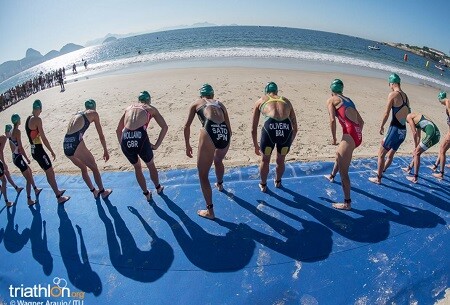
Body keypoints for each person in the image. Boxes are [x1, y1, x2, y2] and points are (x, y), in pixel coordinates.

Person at [184, 84, 232, 220]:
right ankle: (220, 184)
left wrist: (187, 145)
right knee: (218, 161)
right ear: (212, 95)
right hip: (224, 133)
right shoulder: (220, 104)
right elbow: (230, 129)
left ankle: (210, 212)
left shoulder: (197, 103)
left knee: (203, 174)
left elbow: (186, 126)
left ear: (201, 95)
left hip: (209, 130)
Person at [116, 91, 167, 201]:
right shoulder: (150, 108)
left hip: (126, 138)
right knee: (150, 165)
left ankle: (146, 194)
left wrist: (123, 145)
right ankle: (158, 188)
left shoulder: (128, 108)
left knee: (137, 167)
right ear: (149, 100)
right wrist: (157, 145)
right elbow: (164, 127)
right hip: (140, 138)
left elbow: (118, 130)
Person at [324, 79, 364, 210]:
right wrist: (354, 136)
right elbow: (361, 122)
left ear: (332, 91)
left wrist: (335, 138)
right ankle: (331, 176)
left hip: (350, 134)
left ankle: (347, 203)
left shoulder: (332, 100)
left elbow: (331, 120)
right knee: (339, 155)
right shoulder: (349, 100)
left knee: (344, 172)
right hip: (356, 133)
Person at [251, 82, 298, 192]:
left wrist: (255, 146)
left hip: (270, 129)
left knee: (265, 160)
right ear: (277, 91)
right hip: (286, 128)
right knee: (281, 160)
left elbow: (253, 128)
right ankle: (278, 181)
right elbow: (295, 128)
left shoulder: (260, 100)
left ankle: (263, 185)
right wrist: (289, 141)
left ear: (266, 92)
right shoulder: (286, 101)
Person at [63, 99, 112, 199]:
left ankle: (94, 191)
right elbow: (101, 135)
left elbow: (73, 131)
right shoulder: (93, 113)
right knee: (94, 167)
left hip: (65, 144)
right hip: (75, 142)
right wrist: (105, 150)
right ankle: (103, 192)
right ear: (94, 107)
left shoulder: (76, 115)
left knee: (83, 168)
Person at [25, 100, 70, 204]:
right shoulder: (37, 119)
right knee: (50, 172)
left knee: (49, 172)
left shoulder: (28, 119)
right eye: (41, 110)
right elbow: (44, 138)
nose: (41, 112)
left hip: (34, 150)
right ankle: (59, 197)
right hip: (39, 151)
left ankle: (57, 191)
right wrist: (51, 151)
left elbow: (32, 134)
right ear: (39, 108)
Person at [369, 73, 410, 184]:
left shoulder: (392, 94)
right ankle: (381, 171)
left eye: (390, 84)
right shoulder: (406, 96)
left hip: (394, 130)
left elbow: (386, 113)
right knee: (390, 154)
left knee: (381, 154)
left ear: (392, 83)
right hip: (403, 132)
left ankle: (378, 178)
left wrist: (382, 125)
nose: (390, 86)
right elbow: (407, 115)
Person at [7, 114, 42, 206]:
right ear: (18, 121)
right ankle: (29, 199)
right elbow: (21, 147)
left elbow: (12, 145)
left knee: (29, 171)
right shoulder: (17, 131)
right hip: (19, 158)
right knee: (28, 179)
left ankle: (35, 189)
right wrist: (27, 158)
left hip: (15, 157)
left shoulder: (11, 130)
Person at [402, 112, 440, 183]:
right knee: (417, 152)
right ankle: (409, 168)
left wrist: (416, 146)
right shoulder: (416, 116)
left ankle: (415, 178)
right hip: (436, 135)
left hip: (432, 134)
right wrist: (416, 146)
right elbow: (418, 136)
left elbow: (414, 133)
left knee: (416, 153)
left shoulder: (409, 117)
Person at [0, 127, 24, 207]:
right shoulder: (3, 138)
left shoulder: (6, 138)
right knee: (4, 180)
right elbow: (0, 152)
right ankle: (7, 202)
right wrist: (3, 163)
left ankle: (16, 188)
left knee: (7, 174)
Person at [428, 91, 450, 178]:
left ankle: (441, 173)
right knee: (442, 149)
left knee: (442, 150)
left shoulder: (447, 102)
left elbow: (447, 101)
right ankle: (435, 166)